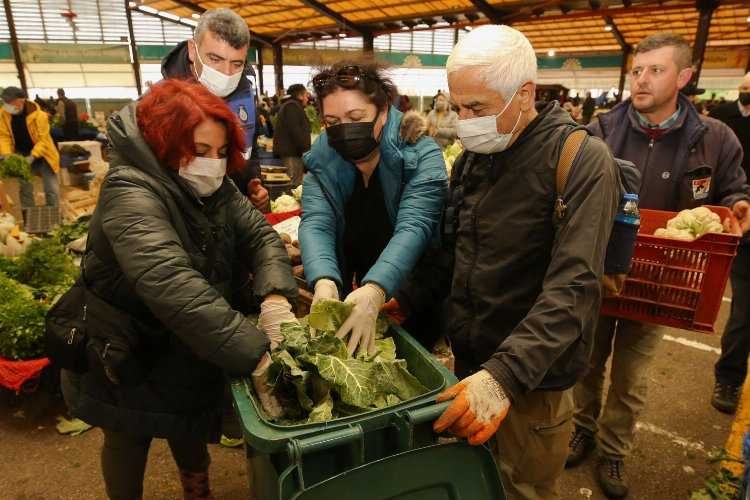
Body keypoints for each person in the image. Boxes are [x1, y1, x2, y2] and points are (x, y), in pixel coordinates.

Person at [394, 25, 620, 500]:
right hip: (472, 365)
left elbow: (574, 286)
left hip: (532, 381)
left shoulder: (580, 160)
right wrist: (406, 299)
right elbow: (454, 250)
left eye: (477, 108)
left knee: (522, 488)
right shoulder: (476, 157)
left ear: (525, 95)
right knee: (473, 483)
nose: (464, 120)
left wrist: (505, 377)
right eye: (457, 107)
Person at [60, 79, 297, 500]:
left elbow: (261, 237)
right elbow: (172, 283)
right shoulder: (130, 191)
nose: (214, 163)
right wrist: (256, 354)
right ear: (165, 142)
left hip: (183, 339)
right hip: (123, 342)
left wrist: (276, 298)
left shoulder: (216, 187)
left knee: (185, 423)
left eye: (222, 152)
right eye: (201, 151)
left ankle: (197, 491)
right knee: (127, 436)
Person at [568, 33, 750, 499]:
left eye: (656, 70)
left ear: (684, 77)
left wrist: (739, 204)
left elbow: (732, 189)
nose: (642, 80)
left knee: (632, 375)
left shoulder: (714, 139)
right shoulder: (603, 130)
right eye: (637, 70)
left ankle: (612, 450)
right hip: (603, 270)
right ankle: (582, 428)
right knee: (587, 362)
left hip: (664, 279)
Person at [299, 60, 447, 357]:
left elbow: (415, 226)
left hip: (414, 292)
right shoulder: (321, 161)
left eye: (356, 116)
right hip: (360, 291)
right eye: (332, 122)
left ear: (383, 111)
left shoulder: (420, 154)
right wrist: (324, 280)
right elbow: (316, 222)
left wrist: (378, 288)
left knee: (408, 364)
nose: (344, 129)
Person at [161, 7, 269, 211]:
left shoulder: (244, 96)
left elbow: (248, 151)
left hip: (233, 216)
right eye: (215, 59)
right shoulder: (162, 104)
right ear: (193, 50)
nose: (226, 73)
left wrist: (252, 182)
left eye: (237, 63)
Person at [709, 72, 750, 414]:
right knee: (744, 312)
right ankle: (730, 377)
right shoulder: (722, 121)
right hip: (744, 223)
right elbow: (726, 177)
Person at [0, 86, 60, 208]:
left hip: (44, 155)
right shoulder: (3, 114)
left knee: (51, 189)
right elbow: (3, 136)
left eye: (10, 102)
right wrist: (6, 154)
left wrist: (32, 156)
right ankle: (29, 217)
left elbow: (43, 140)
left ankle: (54, 216)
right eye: (5, 102)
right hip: (22, 155)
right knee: (25, 190)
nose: (7, 105)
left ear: (22, 100)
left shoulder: (40, 116)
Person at [273, 84, 311, 187]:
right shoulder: (292, 107)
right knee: (293, 186)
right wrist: (307, 151)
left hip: (293, 154)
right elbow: (296, 132)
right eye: (306, 95)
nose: (308, 98)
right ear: (300, 96)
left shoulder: (291, 106)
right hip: (291, 155)